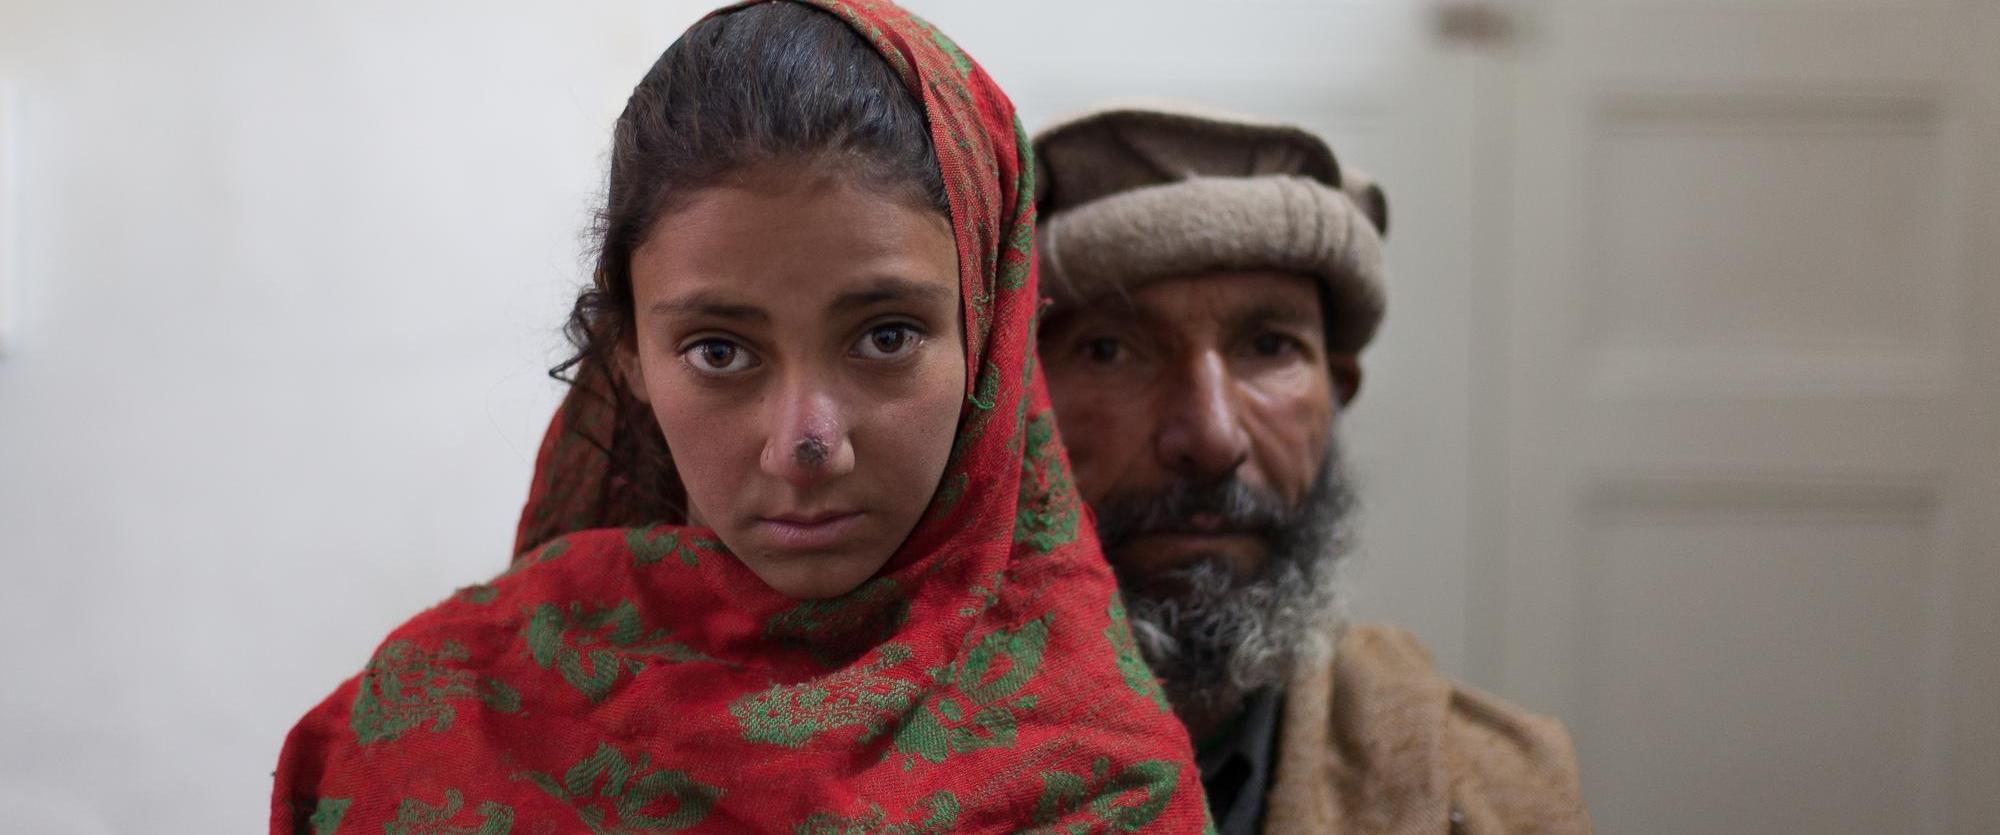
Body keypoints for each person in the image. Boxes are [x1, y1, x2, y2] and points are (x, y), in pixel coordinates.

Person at [269, 6, 1211, 832]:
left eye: (885, 336)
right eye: (720, 351)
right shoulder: (437, 713)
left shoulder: (1100, 785)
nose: (806, 441)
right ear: (629, 354)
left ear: (990, 336)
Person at [1033, 106, 1591, 834]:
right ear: (1017, 400)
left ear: (1337, 391)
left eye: (1268, 345)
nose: (1212, 436)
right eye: (1110, 350)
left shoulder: (1495, 788)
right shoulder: (867, 776)